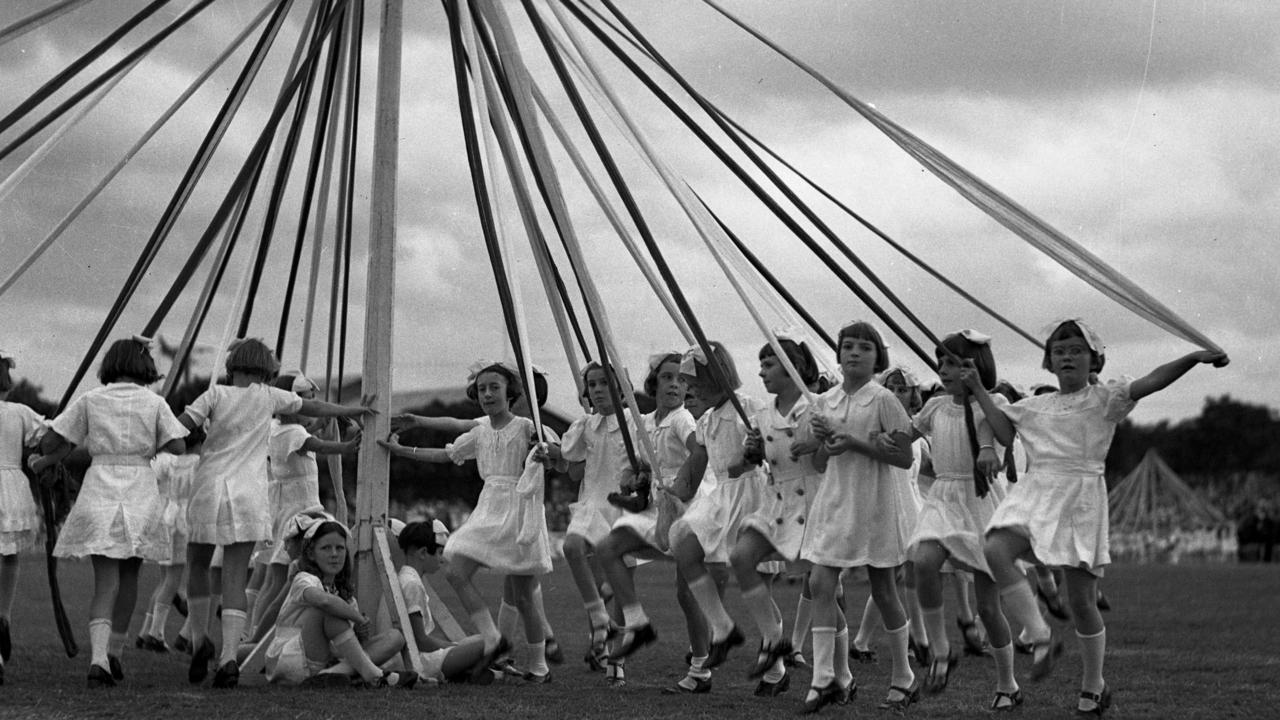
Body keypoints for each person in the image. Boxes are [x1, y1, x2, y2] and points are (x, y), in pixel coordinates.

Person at [978, 319, 1228, 716]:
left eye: (1077, 350)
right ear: (1049, 361)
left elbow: (1153, 381)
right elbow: (997, 425)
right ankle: (1041, 635)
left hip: (1080, 496)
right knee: (995, 547)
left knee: (1081, 600)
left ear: (1094, 358)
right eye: (1060, 351)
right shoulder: (1034, 405)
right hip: (1036, 492)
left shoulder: (1104, 398)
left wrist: (1194, 357)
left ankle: (1094, 686)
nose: (1067, 357)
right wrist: (982, 416)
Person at [176, 338, 372, 688]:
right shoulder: (270, 397)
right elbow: (316, 408)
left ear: (232, 367)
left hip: (210, 487)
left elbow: (180, 429)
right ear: (268, 370)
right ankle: (229, 659)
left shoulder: (214, 395)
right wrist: (351, 412)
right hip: (250, 492)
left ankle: (198, 640)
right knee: (237, 575)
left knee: (199, 566)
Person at [380, 360, 554, 683]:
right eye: (482, 389)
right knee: (453, 565)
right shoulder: (480, 431)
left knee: (526, 595)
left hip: (521, 510)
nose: (488, 394)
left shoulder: (528, 427)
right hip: (488, 509)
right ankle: (492, 637)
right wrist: (403, 450)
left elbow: (555, 453)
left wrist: (547, 453)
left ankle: (540, 667)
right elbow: (446, 452)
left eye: (495, 388)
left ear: (510, 392)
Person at [30, 337, 187, 687]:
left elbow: (55, 439)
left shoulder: (91, 399)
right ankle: (114, 652)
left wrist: (50, 454)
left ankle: (99, 658)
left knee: (106, 581)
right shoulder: (154, 401)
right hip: (139, 490)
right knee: (129, 576)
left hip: (101, 485)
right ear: (144, 365)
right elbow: (178, 443)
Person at [799, 321, 918, 713]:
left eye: (864, 348)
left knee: (884, 589)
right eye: (847, 346)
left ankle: (903, 677)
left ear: (877, 357)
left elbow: (903, 457)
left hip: (876, 500)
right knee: (820, 581)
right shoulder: (825, 401)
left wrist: (854, 442)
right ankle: (826, 679)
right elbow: (819, 463)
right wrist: (823, 443)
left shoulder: (883, 399)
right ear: (837, 353)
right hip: (836, 499)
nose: (854, 353)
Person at [898, 330, 1019, 708]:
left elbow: (1005, 434)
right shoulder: (935, 406)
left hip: (981, 500)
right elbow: (906, 438)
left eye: (954, 363)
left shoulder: (994, 401)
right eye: (942, 362)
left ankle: (1007, 685)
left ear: (976, 367)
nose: (944, 369)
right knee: (922, 562)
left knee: (988, 606)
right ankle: (941, 649)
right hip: (944, 496)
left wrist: (978, 391)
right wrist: (883, 439)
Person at [594, 352, 699, 689]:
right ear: (654, 383)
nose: (674, 385)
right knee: (611, 547)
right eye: (667, 377)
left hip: (686, 509)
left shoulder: (684, 420)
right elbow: (643, 466)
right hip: (657, 509)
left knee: (688, 594)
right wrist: (633, 480)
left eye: (681, 380)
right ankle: (637, 621)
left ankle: (700, 669)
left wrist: (680, 484)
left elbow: (700, 452)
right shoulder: (645, 423)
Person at [727, 336, 824, 697]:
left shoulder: (817, 408)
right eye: (762, 364)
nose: (761, 372)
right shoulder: (762, 416)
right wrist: (752, 453)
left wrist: (817, 445)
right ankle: (774, 639)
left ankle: (841, 676)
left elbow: (826, 461)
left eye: (768, 365)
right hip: (777, 502)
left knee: (824, 590)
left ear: (793, 368)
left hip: (813, 500)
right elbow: (745, 463)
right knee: (741, 556)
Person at [252, 373, 360, 637]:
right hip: (302, 514)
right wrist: (348, 446)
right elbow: (316, 445)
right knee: (281, 582)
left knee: (274, 580)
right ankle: (260, 634)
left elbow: (304, 436)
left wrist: (319, 425)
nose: (312, 407)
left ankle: (254, 633)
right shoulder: (294, 432)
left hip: (286, 511)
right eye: (307, 402)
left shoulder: (277, 430)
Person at [547, 362, 634, 670]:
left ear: (621, 389)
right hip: (591, 503)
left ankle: (615, 662)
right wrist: (552, 454)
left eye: (604, 384)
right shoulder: (585, 425)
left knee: (621, 588)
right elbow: (571, 468)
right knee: (572, 548)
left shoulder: (634, 422)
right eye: (592, 385)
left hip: (623, 507)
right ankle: (599, 626)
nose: (597, 390)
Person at [263, 518, 413, 688]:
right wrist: (358, 618)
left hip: (326, 660)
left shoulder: (347, 596)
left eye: (340, 548)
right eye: (326, 548)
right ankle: (373, 675)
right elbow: (324, 601)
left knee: (396, 637)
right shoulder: (304, 579)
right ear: (311, 554)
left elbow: (348, 643)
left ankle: (331, 675)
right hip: (292, 658)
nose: (334, 554)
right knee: (328, 610)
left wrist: (360, 632)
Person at [395, 519, 496, 683]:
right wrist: (455, 649)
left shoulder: (408, 578)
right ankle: (466, 670)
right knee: (491, 641)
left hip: (427, 656)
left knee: (483, 639)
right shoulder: (412, 584)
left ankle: (466, 670)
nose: (441, 559)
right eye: (439, 553)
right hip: (426, 661)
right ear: (422, 553)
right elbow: (421, 641)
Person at [0, 350, 46, 683]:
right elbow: (53, 435)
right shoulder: (19, 412)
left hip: (9, 482)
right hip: (11, 486)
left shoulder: (18, 412)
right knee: (9, 555)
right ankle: (3, 617)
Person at [136, 427, 203, 652]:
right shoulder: (198, 463)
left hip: (169, 515)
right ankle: (156, 632)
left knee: (165, 580)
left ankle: (146, 630)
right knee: (173, 580)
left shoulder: (172, 461)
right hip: (184, 519)